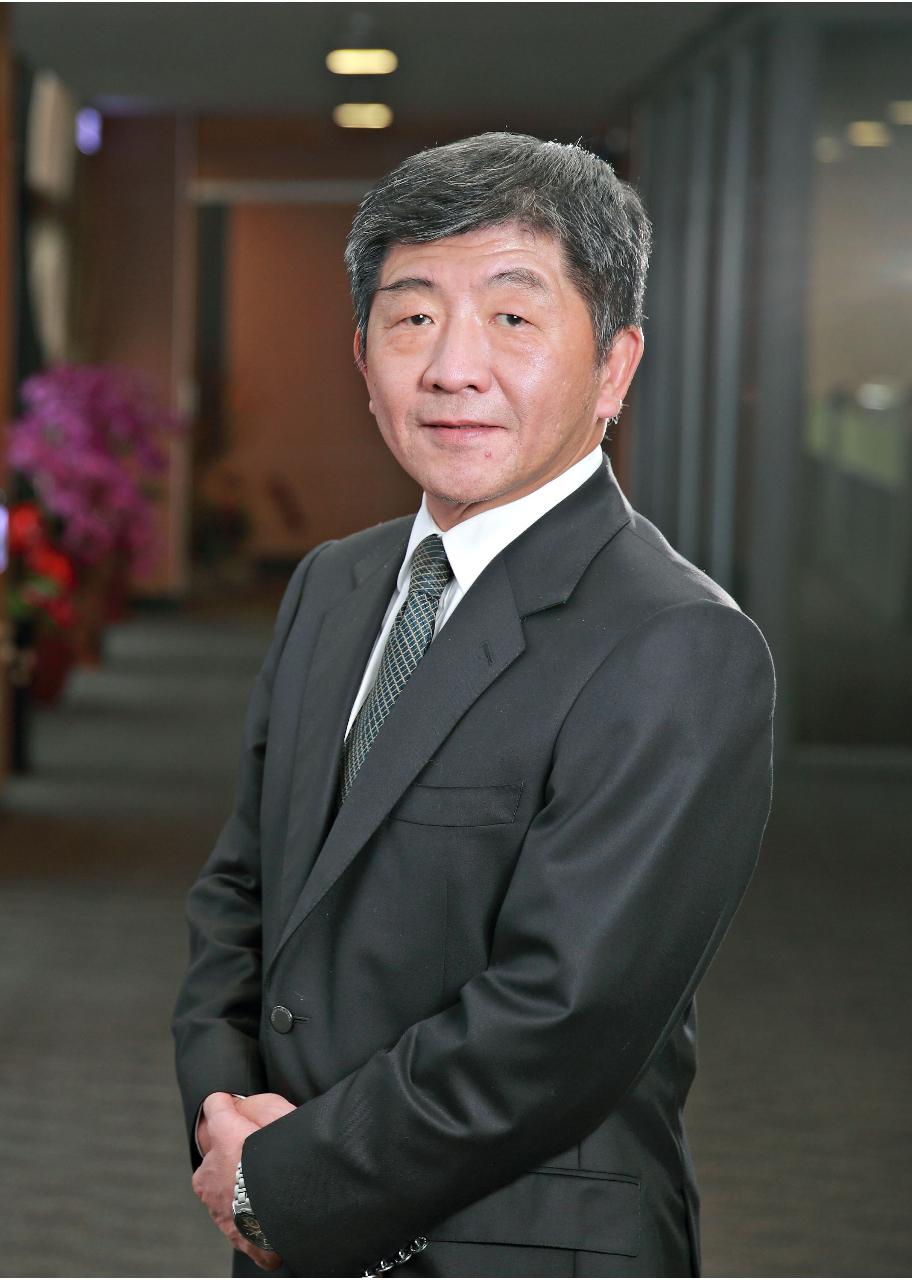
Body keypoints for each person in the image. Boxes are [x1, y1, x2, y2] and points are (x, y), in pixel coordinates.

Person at [172, 132, 775, 1279]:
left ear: (615, 366)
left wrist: (288, 1174)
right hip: (282, 1222)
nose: (454, 366)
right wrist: (223, 1117)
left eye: (512, 316)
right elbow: (240, 892)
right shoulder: (335, 584)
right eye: (413, 316)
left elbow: (563, 1015)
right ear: (363, 357)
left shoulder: (678, 642)